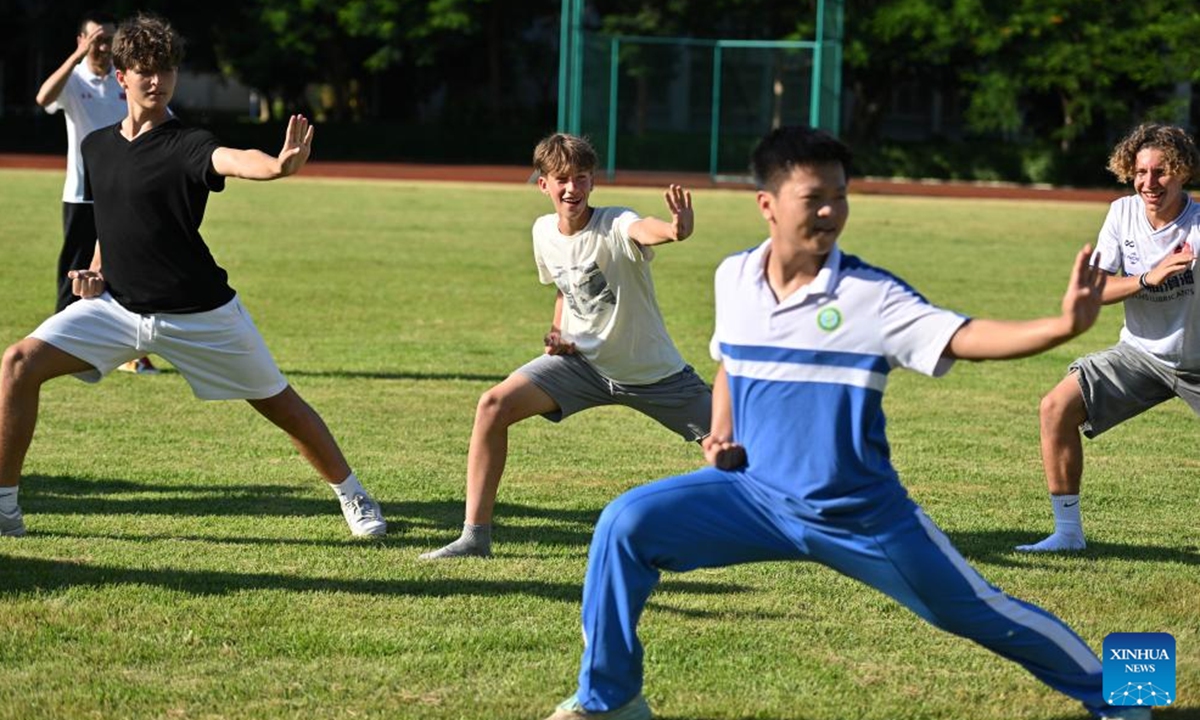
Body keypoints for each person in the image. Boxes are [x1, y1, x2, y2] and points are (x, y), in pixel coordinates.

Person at [542, 126, 1145, 720]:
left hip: (857, 512)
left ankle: (1128, 696)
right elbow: (728, 363)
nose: (831, 210)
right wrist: (720, 432)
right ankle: (611, 698)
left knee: (984, 613)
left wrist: (1061, 327)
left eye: (840, 196)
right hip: (753, 495)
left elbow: (966, 336)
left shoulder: (869, 295)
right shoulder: (734, 278)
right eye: (814, 198)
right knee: (626, 523)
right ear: (768, 206)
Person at [0, 13, 385, 539]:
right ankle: (4, 507)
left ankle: (354, 496)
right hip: (115, 311)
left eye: (166, 70)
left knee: (280, 405)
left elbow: (231, 158)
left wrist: (277, 165)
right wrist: (94, 272)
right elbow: (110, 223)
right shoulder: (97, 148)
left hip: (200, 313)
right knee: (18, 362)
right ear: (122, 78)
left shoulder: (188, 143)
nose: (157, 81)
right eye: (145, 70)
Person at [420, 133, 712, 559]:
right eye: (562, 178)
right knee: (492, 405)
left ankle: (779, 523)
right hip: (583, 366)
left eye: (581, 178)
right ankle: (474, 538)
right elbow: (565, 286)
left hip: (652, 373)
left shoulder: (614, 223)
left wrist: (673, 229)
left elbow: (642, 229)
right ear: (543, 184)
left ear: (593, 183)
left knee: (732, 445)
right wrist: (558, 332)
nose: (572, 187)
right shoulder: (542, 231)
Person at [1017, 123, 1200, 553]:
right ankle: (1067, 534)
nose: (1149, 183)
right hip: (1140, 355)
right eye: (1140, 172)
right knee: (1055, 407)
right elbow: (1093, 289)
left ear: (1183, 172)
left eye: (1161, 172)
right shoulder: (1122, 213)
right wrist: (1147, 278)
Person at [36, 10, 158, 375]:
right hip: (81, 192)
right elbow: (43, 99)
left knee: (123, 265)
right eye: (95, 40)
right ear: (82, 41)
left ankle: (129, 350)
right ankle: (58, 342)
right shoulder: (75, 80)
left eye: (108, 39)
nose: (102, 46)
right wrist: (76, 57)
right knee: (74, 269)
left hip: (123, 191)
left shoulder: (124, 82)